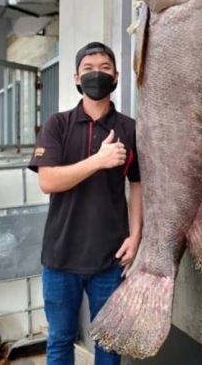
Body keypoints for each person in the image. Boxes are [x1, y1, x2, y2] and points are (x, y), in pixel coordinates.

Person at [28, 42, 142, 365]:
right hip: (60, 257)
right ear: (77, 78)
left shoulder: (129, 130)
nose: (96, 75)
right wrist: (98, 160)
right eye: (88, 69)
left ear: (117, 76)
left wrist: (136, 237)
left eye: (104, 68)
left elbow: (138, 185)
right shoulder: (57, 125)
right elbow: (47, 181)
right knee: (61, 340)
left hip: (109, 259)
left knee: (109, 343)